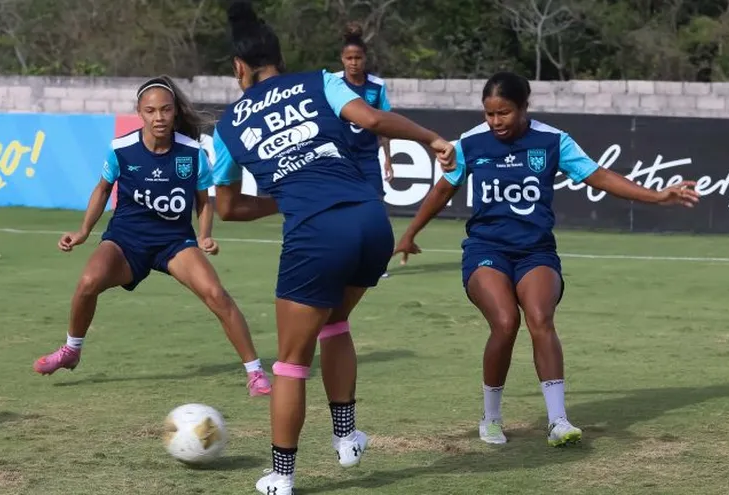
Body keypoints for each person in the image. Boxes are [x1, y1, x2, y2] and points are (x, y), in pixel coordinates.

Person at [211, 3, 455, 494]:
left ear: (239, 68)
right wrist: (432, 139)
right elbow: (371, 120)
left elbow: (229, 209)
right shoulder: (320, 81)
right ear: (278, 57)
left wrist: (283, 198)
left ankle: (281, 476)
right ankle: (346, 439)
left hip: (316, 233)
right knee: (337, 322)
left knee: (290, 363)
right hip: (370, 223)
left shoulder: (227, 125)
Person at [394, 71, 700, 448]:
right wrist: (409, 234)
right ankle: (491, 418)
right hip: (486, 249)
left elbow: (598, 176)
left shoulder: (553, 141)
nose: (495, 122)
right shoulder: (470, 144)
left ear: (524, 107)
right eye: (488, 114)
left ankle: (558, 421)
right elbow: (443, 189)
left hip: (535, 251)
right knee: (505, 322)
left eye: (503, 113)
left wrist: (656, 197)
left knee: (540, 317)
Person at [32, 75, 272, 398]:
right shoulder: (121, 149)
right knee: (88, 282)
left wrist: (204, 236)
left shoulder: (192, 153)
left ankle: (255, 373)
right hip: (125, 241)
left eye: (165, 110)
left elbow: (203, 202)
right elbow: (103, 189)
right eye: (151, 111)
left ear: (175, 112)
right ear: (139, 112)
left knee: (217, 294)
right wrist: (83, 232)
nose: (159, 118)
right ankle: (71, 350)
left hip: (174, 243)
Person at [334, 21, 394, 279]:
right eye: (349, 58)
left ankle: (376, 263)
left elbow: (384, 124)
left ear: (365, 59)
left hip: (368, 158)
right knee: (340, 209)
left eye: (358, 57)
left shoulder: (376, 86)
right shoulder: (331, 83)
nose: (353, 62)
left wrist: (388, 159)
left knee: (375, 209)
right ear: (342, 59)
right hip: (340, 158)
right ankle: (341, 259)